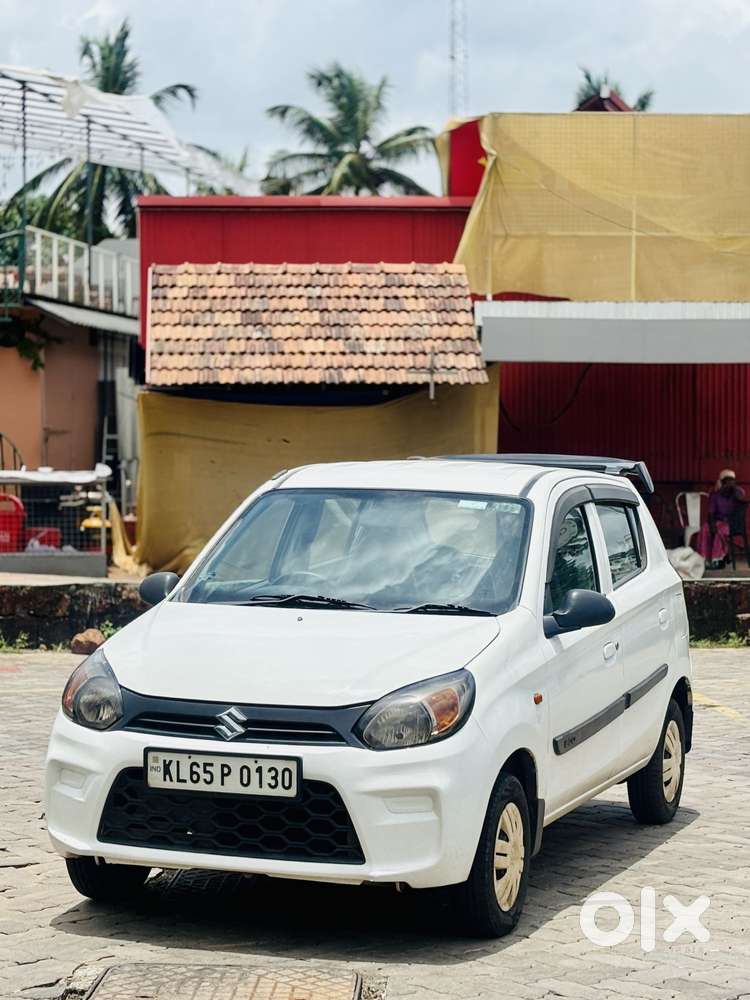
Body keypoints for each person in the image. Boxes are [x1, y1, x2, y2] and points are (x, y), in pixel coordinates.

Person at [694, 469, 746, 567]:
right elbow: (711, 513)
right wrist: (712, 525)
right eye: (726, 482)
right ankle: (704, 559)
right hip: (718, 521)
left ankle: (717, 559)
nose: (729, 484)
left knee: (719, 531)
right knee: (705, 529)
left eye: (731, 481)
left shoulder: (736, 494)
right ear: (721, 483)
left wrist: (733, 488)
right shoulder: (715, 496)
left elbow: (741, 495)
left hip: (732, 524)